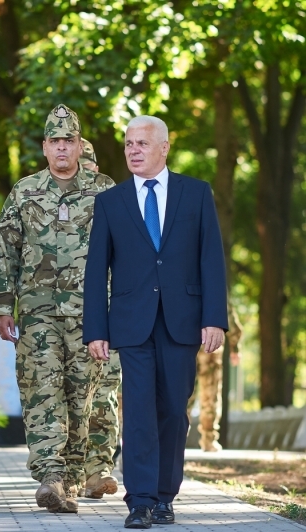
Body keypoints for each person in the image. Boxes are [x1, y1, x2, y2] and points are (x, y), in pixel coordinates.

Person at [83, 115, 228, 529]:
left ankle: (166, 496)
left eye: (142, 143)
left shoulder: (196, 193)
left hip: (183, 321)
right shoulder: (111, 201)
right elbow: (96, 270)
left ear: (164, 148)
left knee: (173, 410)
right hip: (131, 323)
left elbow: (211, 259)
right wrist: (96, 329)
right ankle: (141, 501)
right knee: (139, 411)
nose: (133, 150)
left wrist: (214, 319)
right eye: (129, 143)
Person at [0, 106, 115, 514]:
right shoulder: (24, 191)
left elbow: (125, 252)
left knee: (81, 398)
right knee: (42, 393)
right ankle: (50, 475)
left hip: (90, 315)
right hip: (38, 313)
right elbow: (4, 250)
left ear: (79, 145)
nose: (62, 147)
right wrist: (3, 306)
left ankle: (72, 478)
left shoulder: (105, 190)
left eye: (69, 140)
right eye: (55, 141)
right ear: (45, 147)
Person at [78, 138, 122, 499]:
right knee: (73, 397)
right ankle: (72, 470)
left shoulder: (114, 200)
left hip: (110, 313)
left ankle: (100, 469)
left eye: (90, 167)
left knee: (105, 393)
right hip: (62, 314)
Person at [187, 306, 242, 451]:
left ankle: (201, 438)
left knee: (194, 394)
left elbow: (226, 309)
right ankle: (206, 439)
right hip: (206, 348)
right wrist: (235, 345)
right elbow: (226, 310)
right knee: (206, 395)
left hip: (199, 347)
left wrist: (235, 345)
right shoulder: (213, 291)